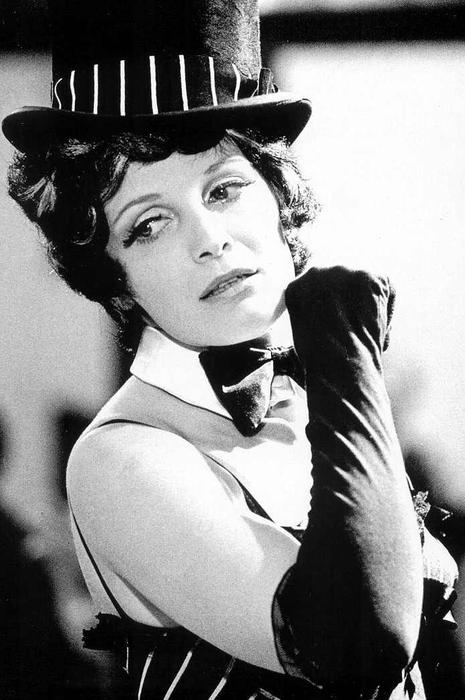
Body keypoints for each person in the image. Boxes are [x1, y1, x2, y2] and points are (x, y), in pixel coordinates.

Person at [3, 1, 459, 698]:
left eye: (224, 189)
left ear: (280, 200)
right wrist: (347, 361)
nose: (209, 239)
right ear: (114, 275)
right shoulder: (120, 456)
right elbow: (356, 646)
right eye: (149, 224)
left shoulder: (306, 395)